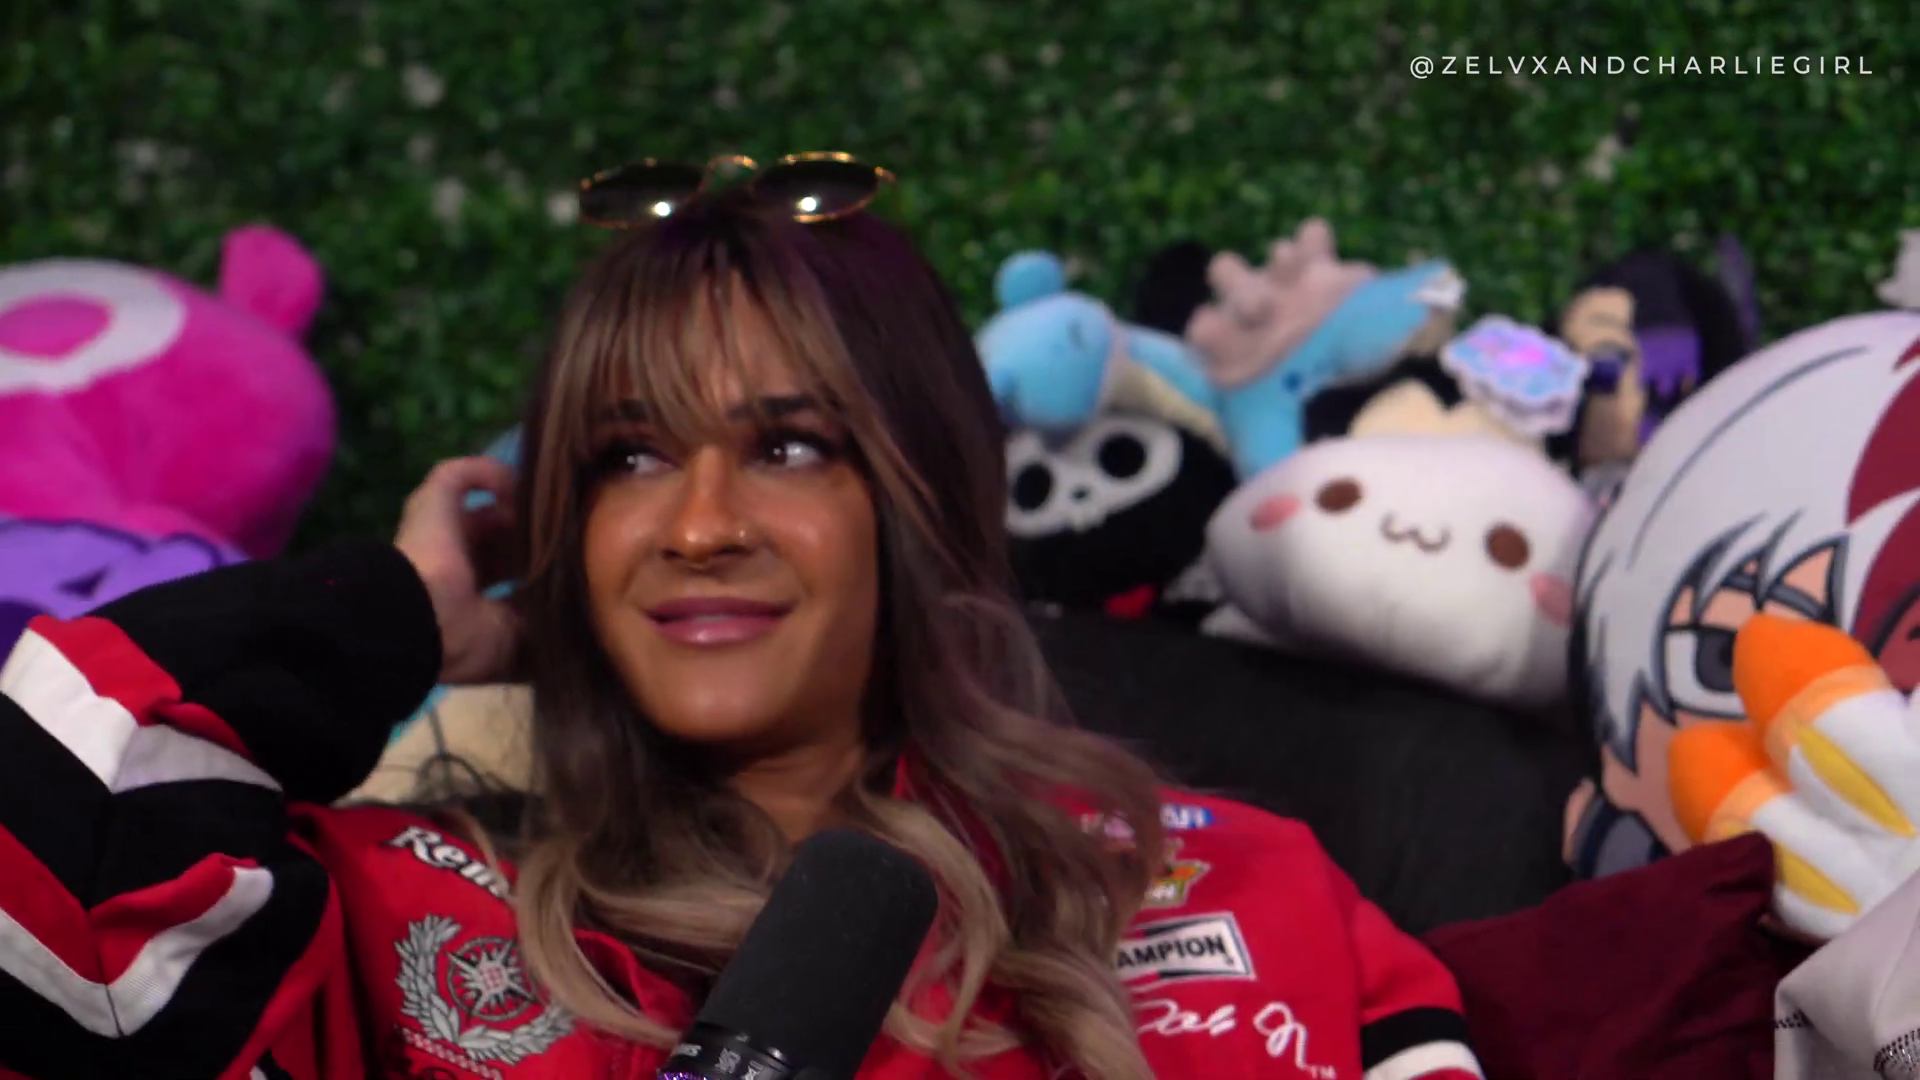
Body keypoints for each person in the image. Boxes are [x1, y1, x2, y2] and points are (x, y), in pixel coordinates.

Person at [0, 157, 1485, 1080]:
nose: (699, 525)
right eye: (628, 458)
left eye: (788, 446)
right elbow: (39, 888)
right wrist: (394, 617)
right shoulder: (395, 910)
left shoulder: (1238, 888)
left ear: (919, 500)